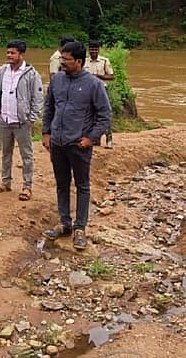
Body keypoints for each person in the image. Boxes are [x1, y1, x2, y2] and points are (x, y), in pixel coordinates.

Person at [41, 41, 112, 250]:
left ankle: (80, 228)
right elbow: (49, 107)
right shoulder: (57, 80)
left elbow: (105, 115)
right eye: (61, 58)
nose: (62, 62)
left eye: (66, 59)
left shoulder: (94, 84)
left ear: (78, 61)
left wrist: (91, 138)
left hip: (79, 145)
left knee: (82, 185)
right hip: (57, 143)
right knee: (61, 184)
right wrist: (46, 132)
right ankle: (65, 223)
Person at [0, 40, 44, 201]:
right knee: (5, 153)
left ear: (22, 55)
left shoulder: (31, 74)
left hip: (22, 121)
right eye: (8, 52)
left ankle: (27, 186)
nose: (9, 55)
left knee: (26, 154)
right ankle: (5, 182)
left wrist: (31, 118)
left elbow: (38, 98)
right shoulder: (2, 70)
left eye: (12, 53)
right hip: (4, 119)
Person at [84, 40, 115, 148]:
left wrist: (99, 76)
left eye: (95, 49)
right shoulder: (84, 61)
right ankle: (95, 139)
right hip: (88, 91)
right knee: (90, 114)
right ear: (89, 50)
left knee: (104, 114)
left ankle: (109, 139)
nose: (93, 51)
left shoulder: (104, 61)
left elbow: (111, 76)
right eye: (91, 49)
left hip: (102, 90)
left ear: (99, 50)